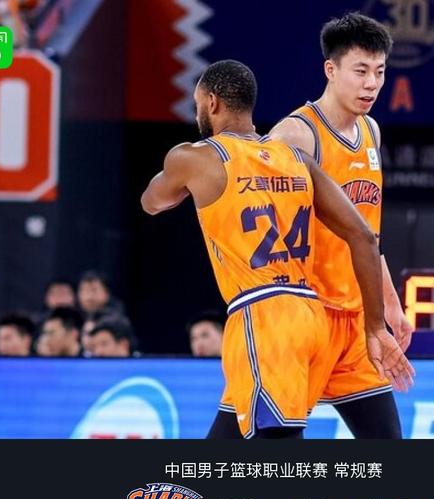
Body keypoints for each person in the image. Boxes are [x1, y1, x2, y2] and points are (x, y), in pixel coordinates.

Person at [141, 59, 413, 439]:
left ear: (212, 102)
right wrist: (375, 326)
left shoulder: (195, 157)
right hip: (312, 313)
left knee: (277, 453)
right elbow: (364, 237)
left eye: (198, 103)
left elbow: (152, 202)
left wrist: (189, 183)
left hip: (263, 314)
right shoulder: (296, 159)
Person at [265, 12, 412, 438]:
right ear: (331, 70)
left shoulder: (371, 131)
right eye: (360, 71)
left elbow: (368, 234)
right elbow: (261, 232)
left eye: (380, 72)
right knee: (267, 445)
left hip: (356, 323)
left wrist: (389, 304)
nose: (372, 84)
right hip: (305, 320)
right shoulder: (295, 135)